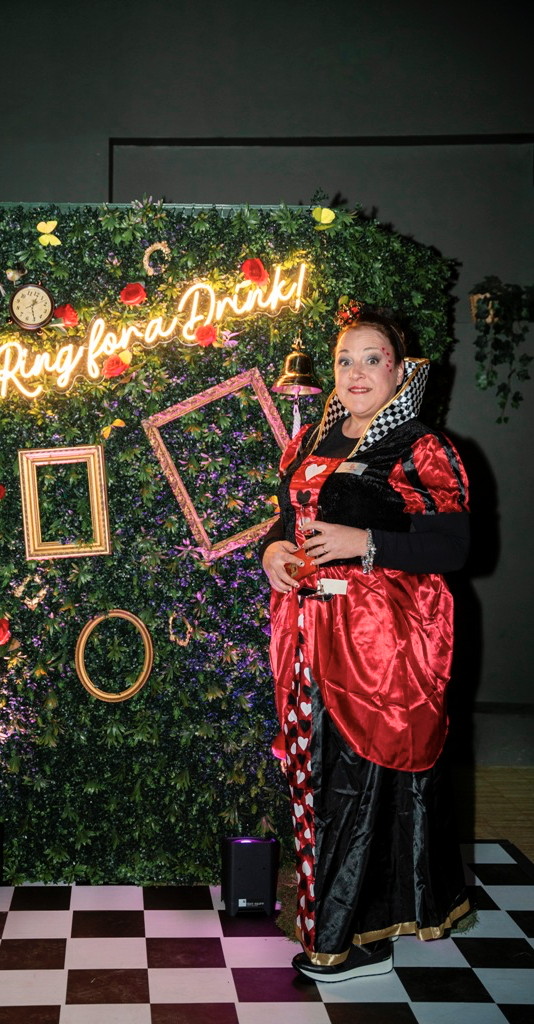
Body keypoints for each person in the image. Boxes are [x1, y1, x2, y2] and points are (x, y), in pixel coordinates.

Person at [260, 307, 470, 982]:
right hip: (305, 635)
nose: (356, 372)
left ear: (399, 371)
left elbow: (455, 547)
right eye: (345, 359)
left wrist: (366, 543)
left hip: (378, 647)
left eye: (372, 359)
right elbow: (285, 519)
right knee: (315, 775)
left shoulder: (419, 447)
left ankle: (359, 940)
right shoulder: (312, 439)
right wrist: (272, 551)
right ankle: (328, 921)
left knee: (360, 783)